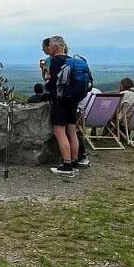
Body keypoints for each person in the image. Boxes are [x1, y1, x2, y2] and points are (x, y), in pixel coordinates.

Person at [45, 36, 81, 178]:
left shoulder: (56, 61)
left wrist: (46, 84)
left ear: (56, 47)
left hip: (60, 101)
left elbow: (53, 82)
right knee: (72, 131)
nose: (50, 48)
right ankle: (74, 162)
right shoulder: (71, 60)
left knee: (59, 131)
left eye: (51, 46)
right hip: (73, 100)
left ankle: (66, 166)